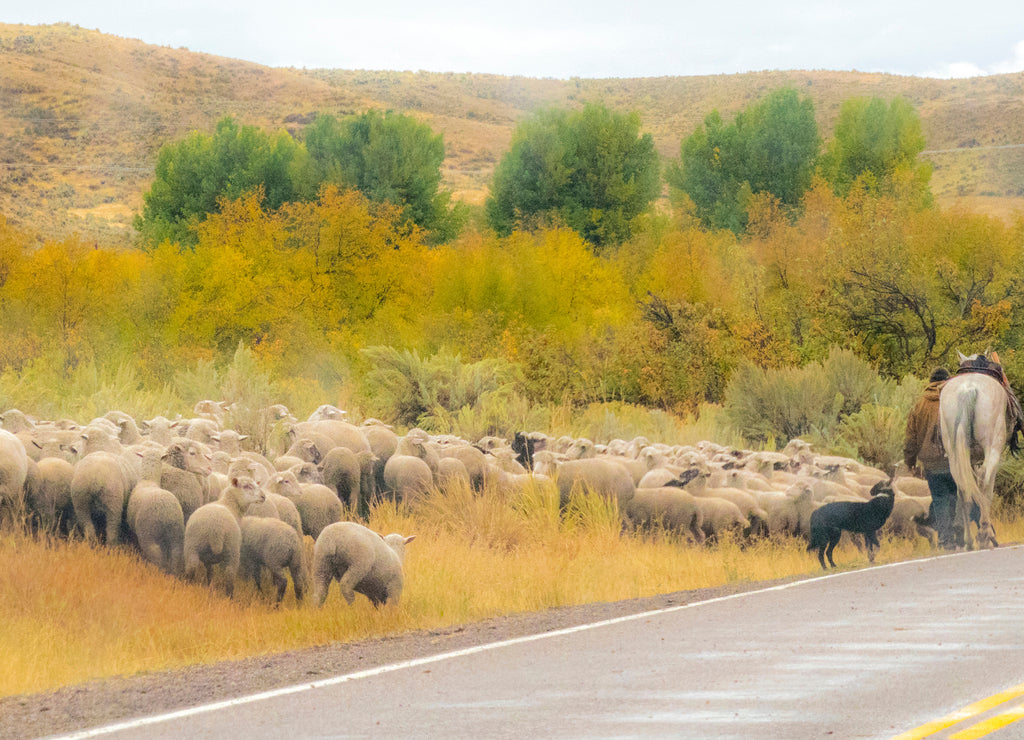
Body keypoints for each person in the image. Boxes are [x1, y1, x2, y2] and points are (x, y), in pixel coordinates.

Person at [903, 367, 957, 549]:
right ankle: (954, 537)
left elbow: (911, 438)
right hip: (954, 459)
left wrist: (910, 463)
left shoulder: (920, 405)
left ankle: (945, 539)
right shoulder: (953, 400)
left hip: (931, 462)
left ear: (930, 382)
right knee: (954, 496)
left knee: (940, 498)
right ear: (947, 381)